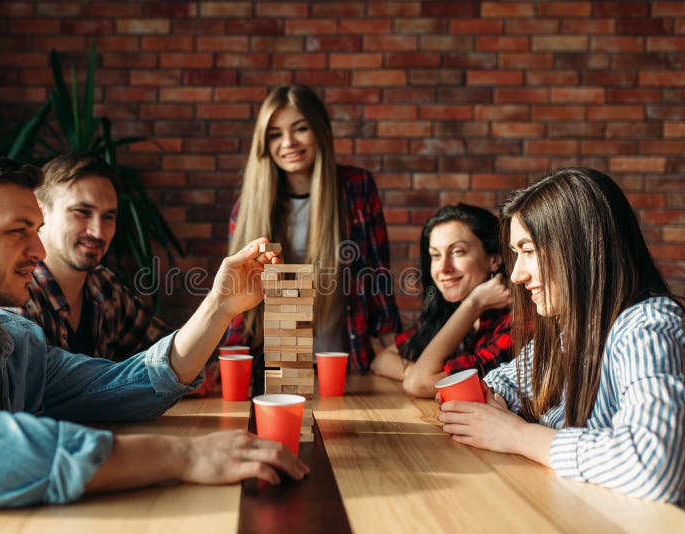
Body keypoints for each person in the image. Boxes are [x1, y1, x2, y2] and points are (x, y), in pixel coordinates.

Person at [0, 146, 308, 515]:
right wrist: (183, 455)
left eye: (35, 231)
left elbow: (128, 385)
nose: (37, 249)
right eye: (18, 231)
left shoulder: (14, 341)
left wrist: (221, 305)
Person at [438, 167, 685, 504]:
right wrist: (487, 399)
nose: (518, 275)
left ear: (580, 247)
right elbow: (507, 382)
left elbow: (653, 465)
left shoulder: (645, 327)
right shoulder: (568, 330)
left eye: (528, 250)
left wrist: (519, 436)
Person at [225, 85, 401, 376]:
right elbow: (239, 299)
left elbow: (376, 272)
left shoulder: (356, 187)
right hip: (274, 366)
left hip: (343, 360)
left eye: (300, 128)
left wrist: (395, 348)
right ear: (264, 144)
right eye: (275, 134)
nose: (289, 143)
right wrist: (229, 360)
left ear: (319, 130)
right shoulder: (246, 207)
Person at [6, 153, 171, 363]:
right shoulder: (16, 295)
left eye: (108, 217)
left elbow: (168, 349)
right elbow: (45, 391)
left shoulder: (104, 285)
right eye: (82, 212)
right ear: (40, 212)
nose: (98, 232)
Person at [370, 204, 512, 398]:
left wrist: (474, 303)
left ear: (494, 260)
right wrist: (416, 370)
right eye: (435, 255)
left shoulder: (514, 322)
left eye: (457, 252)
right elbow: (382, 360)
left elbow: (418, 384)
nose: (443, 268)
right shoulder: (447, 311)